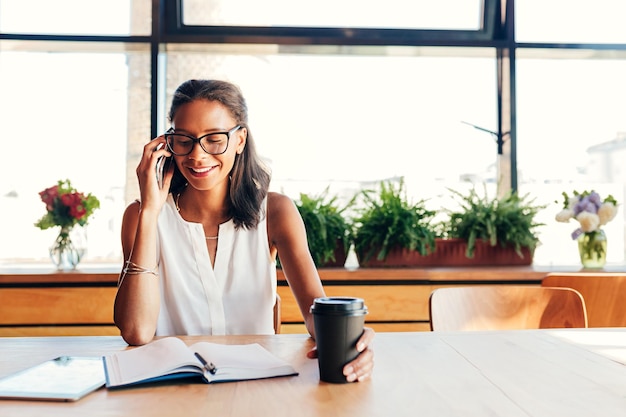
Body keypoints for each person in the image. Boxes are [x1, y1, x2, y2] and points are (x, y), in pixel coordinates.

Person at [113, 79, 374, 382]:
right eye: (184, 140)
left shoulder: (276, 212)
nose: (197, 155)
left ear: (240, 140)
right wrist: (150, 212)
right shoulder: (141, 215)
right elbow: (136, 331)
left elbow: (317, 316)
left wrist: (353, 339)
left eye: (214, 139)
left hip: (256, 388)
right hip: (172, 390)